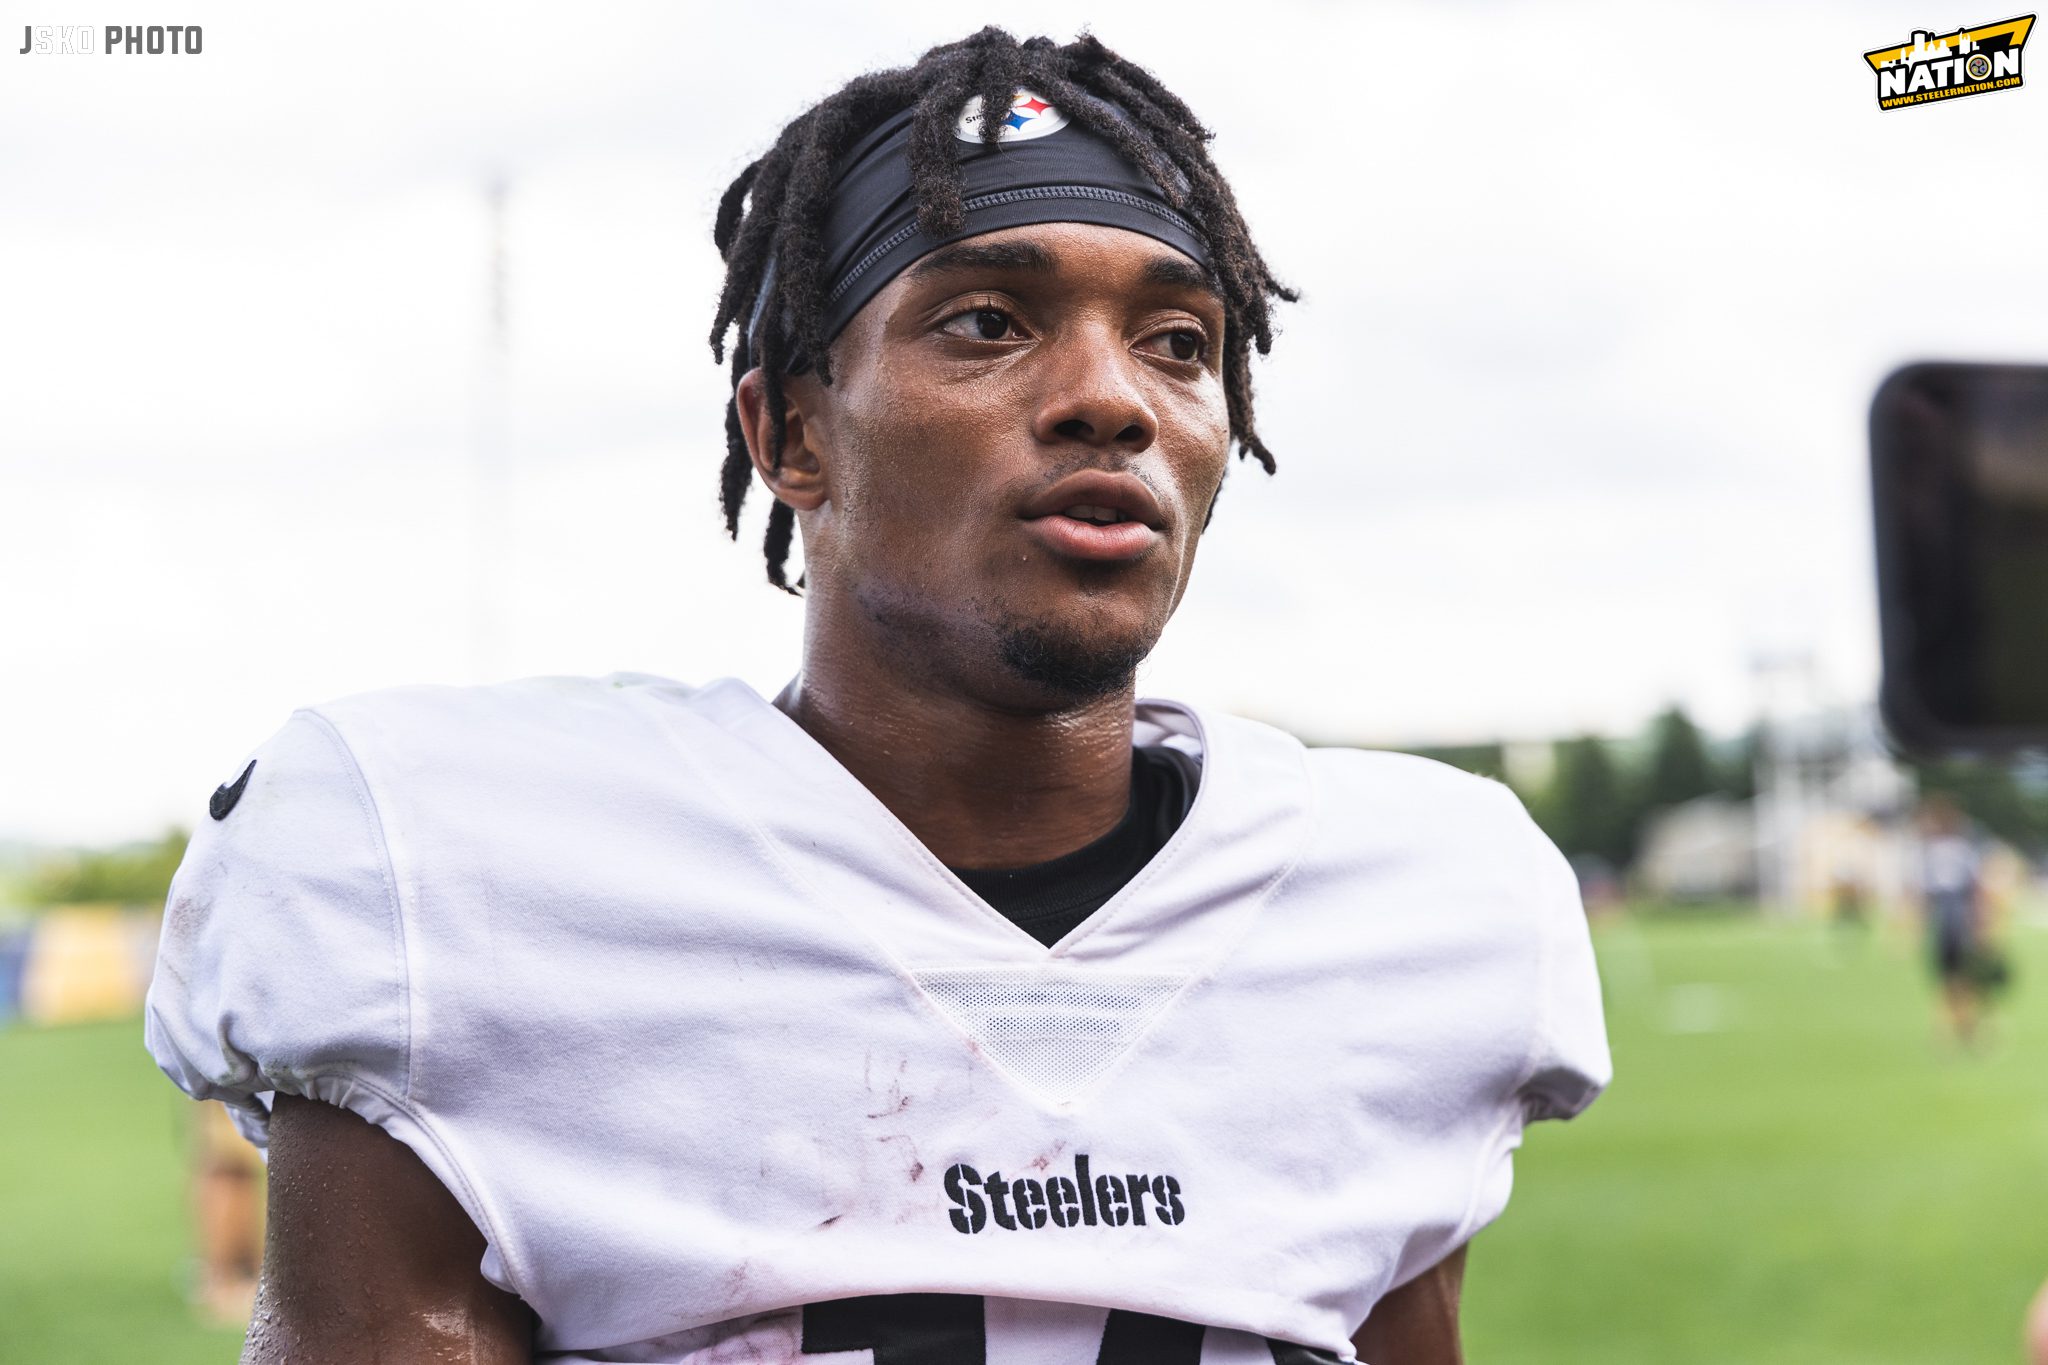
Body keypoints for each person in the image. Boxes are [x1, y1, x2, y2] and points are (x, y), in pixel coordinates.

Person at [143, 28, 1611, 1364]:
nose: (1115, 396)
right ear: (789, 430)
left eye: (1181, 343)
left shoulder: (1424, 906)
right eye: (986, 321)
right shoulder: (445, 875)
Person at [1915, 792, 1993, 1048]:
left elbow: (1927, 894)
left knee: (1950, 978)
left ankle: (1956, 1029)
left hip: (1950, 918)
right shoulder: (1960, 848)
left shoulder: (1940, 850)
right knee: (1961, 978)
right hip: (1956, 918)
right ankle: (1963, 1029)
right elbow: (1976, 889)